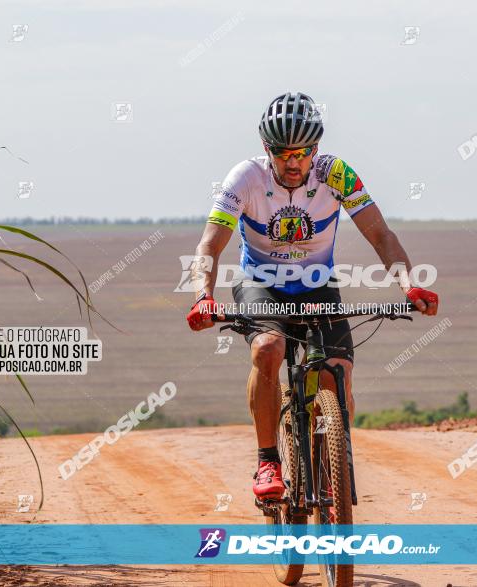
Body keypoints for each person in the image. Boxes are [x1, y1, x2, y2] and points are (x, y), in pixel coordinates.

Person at [185, 91, 439, 499]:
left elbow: (380, 234)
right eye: (282, 153)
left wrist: (408, 285)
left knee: (336, 369)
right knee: (268, 348)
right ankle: (268, 460)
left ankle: (334, 460)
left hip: (317, 284)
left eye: (302, 153)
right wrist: (203, 295)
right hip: (261, 283)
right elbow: (209, 245)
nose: (292, 163)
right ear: (267, 149)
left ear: (315, 149)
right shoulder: (246, 177)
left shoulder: (336, 174)